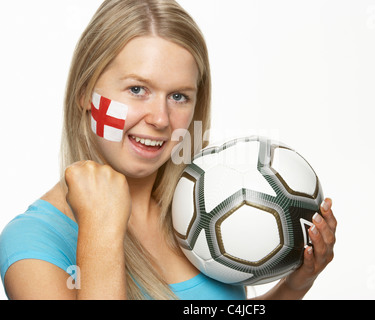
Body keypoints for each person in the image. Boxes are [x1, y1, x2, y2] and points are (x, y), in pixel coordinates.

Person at [0, 0, 337, 300]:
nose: (160, 119)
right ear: (84, 93)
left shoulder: (202, 205)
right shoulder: (33, 243)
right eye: (137, 89)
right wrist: (101, 228)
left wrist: (297, 283)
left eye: (178, 96)